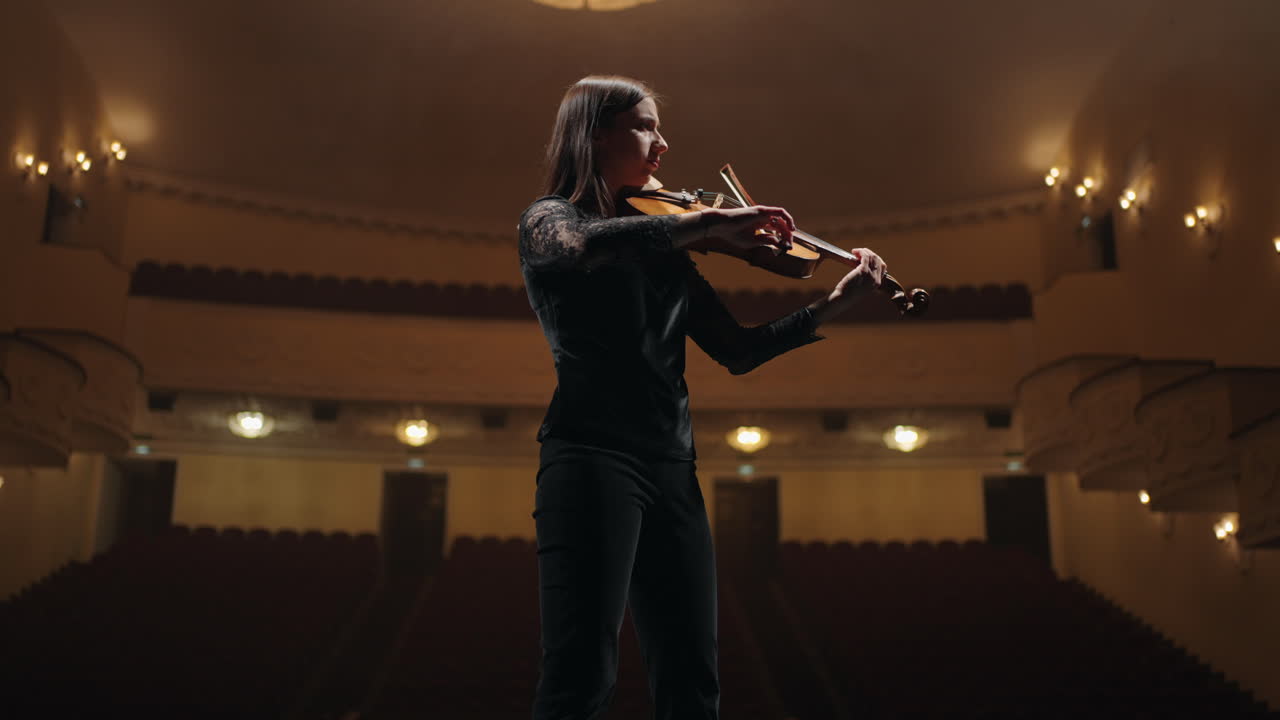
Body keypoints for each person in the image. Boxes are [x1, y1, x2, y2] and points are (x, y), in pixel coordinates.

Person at [519, 75, 887, 720]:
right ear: (596, 132)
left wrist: (835, 303)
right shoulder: (553, 220)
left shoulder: (666, 250)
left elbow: (738, 352)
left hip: (672, 467)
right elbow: (574, 249)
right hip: (590, 458)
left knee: (692, 675)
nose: (662, 144)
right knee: (582, 673)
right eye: (645, 126)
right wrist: (706, 222)